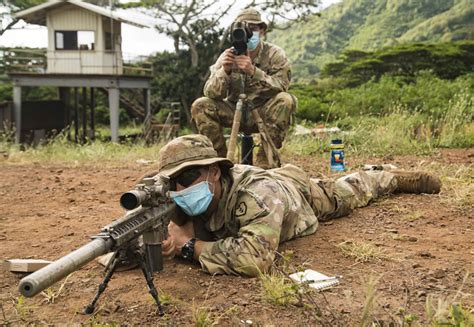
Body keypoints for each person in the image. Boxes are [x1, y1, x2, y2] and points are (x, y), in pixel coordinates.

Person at [154, 134, 441, 277]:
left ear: (214, 172)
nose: (179, 189)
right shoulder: (172, 195)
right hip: (266, 182)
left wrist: (187, 245)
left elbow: (255, 258)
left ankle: (387, 177)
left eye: (189, 176)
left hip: (295, 194)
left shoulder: (257, 195)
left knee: (346, 192)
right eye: (172, 181)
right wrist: (154, 241)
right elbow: (117, 244)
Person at [191, 8, 295, 168]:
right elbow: (211, 93)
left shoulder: (275, 54)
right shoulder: (227, 56)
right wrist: (224, 70)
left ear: (262, 31)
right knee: (201, 105)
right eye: (242, 29)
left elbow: (281, 86)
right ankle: (218, 163)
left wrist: (254, 72)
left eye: (252, 28)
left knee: (285, 100)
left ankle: (265, 164)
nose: (247, 33)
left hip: (263, 111)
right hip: (233, 111)